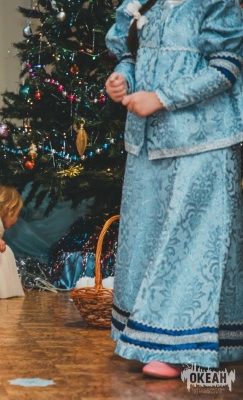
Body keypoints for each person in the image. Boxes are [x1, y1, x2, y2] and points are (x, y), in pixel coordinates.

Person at [105, 0, 243, 378]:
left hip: (203, 141)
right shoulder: (142, 3)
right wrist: (122, 79)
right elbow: (128, 55)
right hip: (148, 142)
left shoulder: (215, 3)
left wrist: (162, 97)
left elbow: (226, 68)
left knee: (192, 241)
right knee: (147, 240)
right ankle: (161, 337)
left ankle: (176, 346)